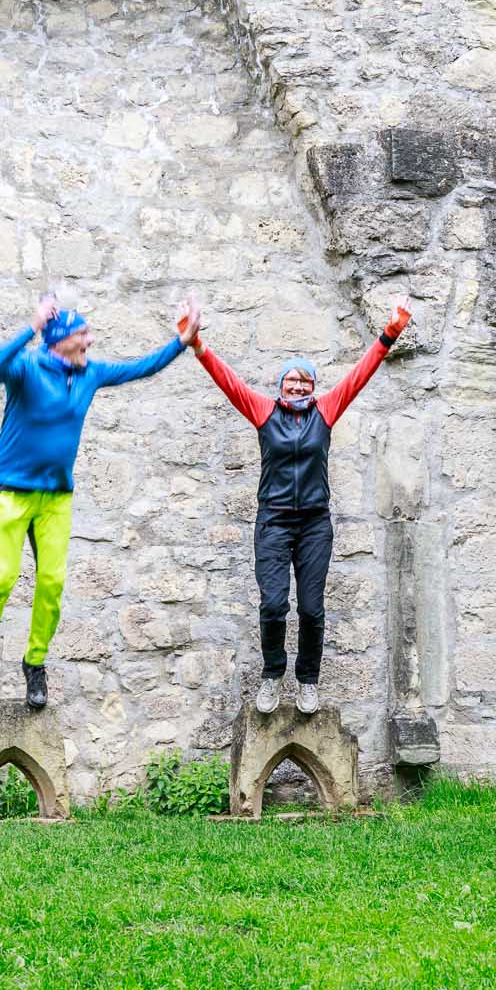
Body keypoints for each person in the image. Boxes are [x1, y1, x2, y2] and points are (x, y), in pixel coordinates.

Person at [0, 292, 202, 712]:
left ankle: (35, 664)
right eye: (83, 334)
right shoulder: (26, 367)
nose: (90, 340)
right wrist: (33, 326)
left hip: (56, 497)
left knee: (52, 584)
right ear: (60, 339)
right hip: (12, 492)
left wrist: (181, 343)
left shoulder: (90, 373)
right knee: (0, 579)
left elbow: (141, 368)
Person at [184, 301, 411, 714]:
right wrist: (198, 344)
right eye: (291, 380)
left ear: (313, 387)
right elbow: (228, 381)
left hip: (313, 524)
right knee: (273, 605)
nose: (298, 387)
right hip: (273, 522)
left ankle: (308, 680)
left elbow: (359, 375)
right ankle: (273, 674)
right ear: (281, 385)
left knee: (311, 608)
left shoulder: (325, 410)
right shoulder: (263, 411)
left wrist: (390, 333)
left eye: (305, 381)